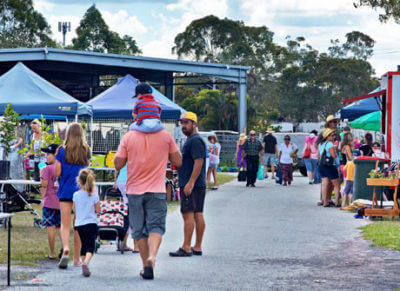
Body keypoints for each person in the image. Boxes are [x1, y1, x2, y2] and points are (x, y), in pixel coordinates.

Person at [114, 114, 181, 280]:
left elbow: (117, 163)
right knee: (156, 227)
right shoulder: (165, 135)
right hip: (157, 190)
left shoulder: (129, 136)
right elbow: (178, 161)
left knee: (138, 230)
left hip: (135, 191)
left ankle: (145, 265)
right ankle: (153, 257)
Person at [170, 112, 206, 258]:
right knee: (197, 213)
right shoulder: (192, 140)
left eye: (187, 123)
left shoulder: (195, 141)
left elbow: (199, 161)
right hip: (195, 183)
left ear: (194, 124)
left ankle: (186, 247)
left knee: (188, 213)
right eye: (182, 123)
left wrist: (190, 182)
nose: (184, 126)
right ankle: (197, 246)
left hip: (192, 184)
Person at [55, 123, 91, 269]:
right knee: (78, 225)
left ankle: (65, 248)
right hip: (80, 191)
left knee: (65, 224)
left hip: (65, 190)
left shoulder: (61, 151)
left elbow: (57, 172)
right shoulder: (85, 150)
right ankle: (77, 259)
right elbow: (87, 169)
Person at [73, 169, 100, 277]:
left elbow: (74, 210)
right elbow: (98, 210)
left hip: (79, 224)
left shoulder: (76, 195)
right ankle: (86, 263)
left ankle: (83, 264)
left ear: (79, 181)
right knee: (90, 246)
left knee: (83, 245)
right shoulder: (94, 195)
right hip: (91, 223)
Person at [40, 144, 61, 260]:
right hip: (61, 202)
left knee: (50, 227)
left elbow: (44, 185)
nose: (46, 157)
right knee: (61, 227)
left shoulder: (47, 169)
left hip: (49, 202)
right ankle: (65, 249)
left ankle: (52, 252)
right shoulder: (62, 168)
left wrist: (43, 198)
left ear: (55, 155)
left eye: (48, 154)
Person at [114, 164, 139, 253]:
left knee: (126, 212)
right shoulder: (136, 150)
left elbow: (117, 166)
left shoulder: (123, 149)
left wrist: (115, 181)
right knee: (135, 214)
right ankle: (136, 246)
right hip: (132, 181)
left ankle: (123, 243)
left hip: (121, 181)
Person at [318, 128, 340, 207]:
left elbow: (318, 155)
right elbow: (333, 156)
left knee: (325, 183)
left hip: (322, 165)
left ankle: (324, 201)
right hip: (330, 166)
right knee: (337, 184)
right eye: (332, 135)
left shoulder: (321, 144)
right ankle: (337, 202)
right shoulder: (330, 144)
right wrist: (336, 151)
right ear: (327, 137)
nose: (334, 137)